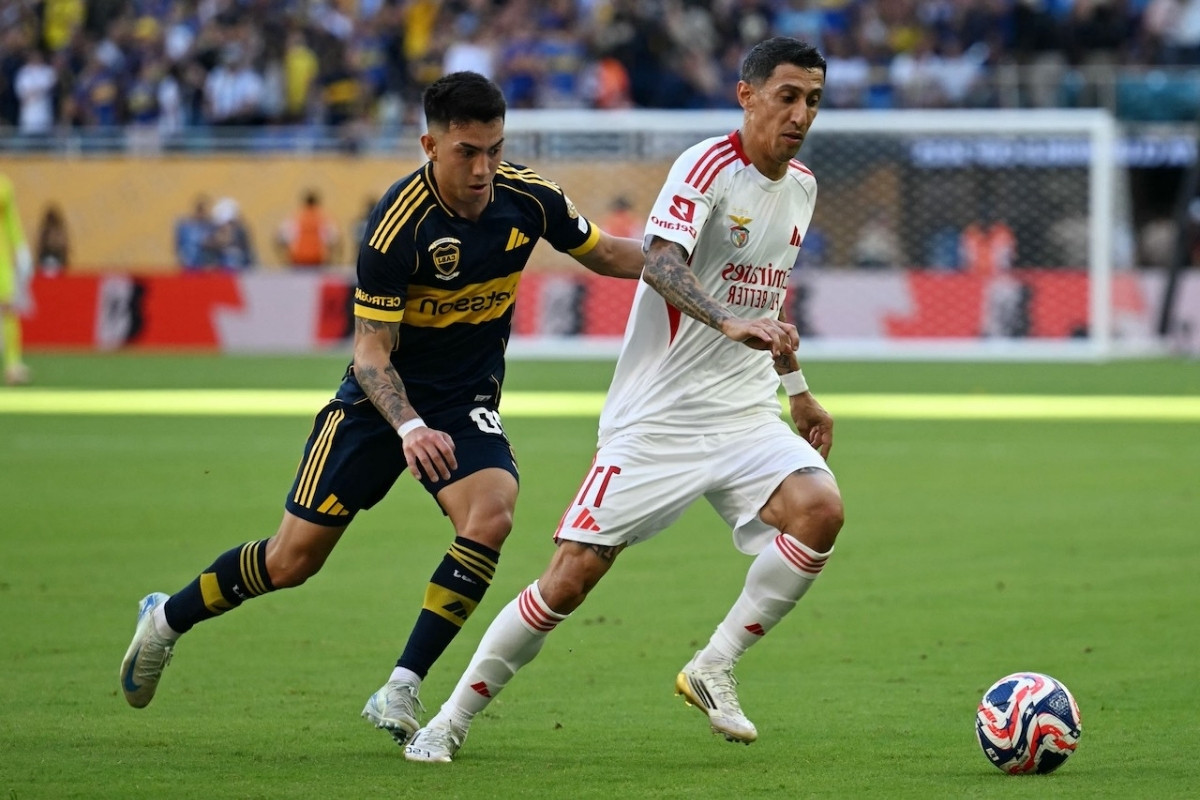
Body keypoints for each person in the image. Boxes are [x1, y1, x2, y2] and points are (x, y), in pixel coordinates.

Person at [118, 73, 646, 748]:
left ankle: (402, 686)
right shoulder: (398, 224)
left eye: (494, 149)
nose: (483, 168)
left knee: (492, 513)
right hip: (378, 405)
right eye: (466, 152)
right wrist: (409, 425)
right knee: (291, 561)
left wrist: (692, 258)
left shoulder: (529, 197)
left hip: (463, 402)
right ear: (430, 145)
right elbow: (370, 355)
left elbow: (607, 253)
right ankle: (167, 619)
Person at [403, 37, 844, 763]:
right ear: (747, 96)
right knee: (572, 576)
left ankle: (714, 666)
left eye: (814, 101)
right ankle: (448, 720)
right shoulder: (705, 168)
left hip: (743, 412)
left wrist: (798, 392)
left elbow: (766, 301)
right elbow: (662, 262)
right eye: (788, 96)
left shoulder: (802, 185)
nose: (801, 114)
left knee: (820, 510)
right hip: (659, 419)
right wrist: (726, 321)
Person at [0, 172, 34, 386]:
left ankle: (13, 365)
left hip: (1, 259)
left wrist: (21, 248)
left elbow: (12, 221)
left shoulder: (4, 186)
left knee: (8, 308)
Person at [275, 188, 342, 268]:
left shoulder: (295, 218)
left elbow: (279, 238)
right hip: (317, 260)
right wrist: (332, 259)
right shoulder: (323, 219)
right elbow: (335, 240)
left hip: (297, 261)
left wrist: (284, 259)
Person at [175, 194, 215, 271]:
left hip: (205, 265)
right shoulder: (186, 226)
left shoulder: (210, 226)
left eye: (205, 210)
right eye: (200, 210)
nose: (202, 213)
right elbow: (179, 245)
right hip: (189, 263)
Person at [35, 202, 70, 275]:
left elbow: (63, 245)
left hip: (56, 257)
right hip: (48, 256)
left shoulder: (58, 231)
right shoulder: (48, 231)